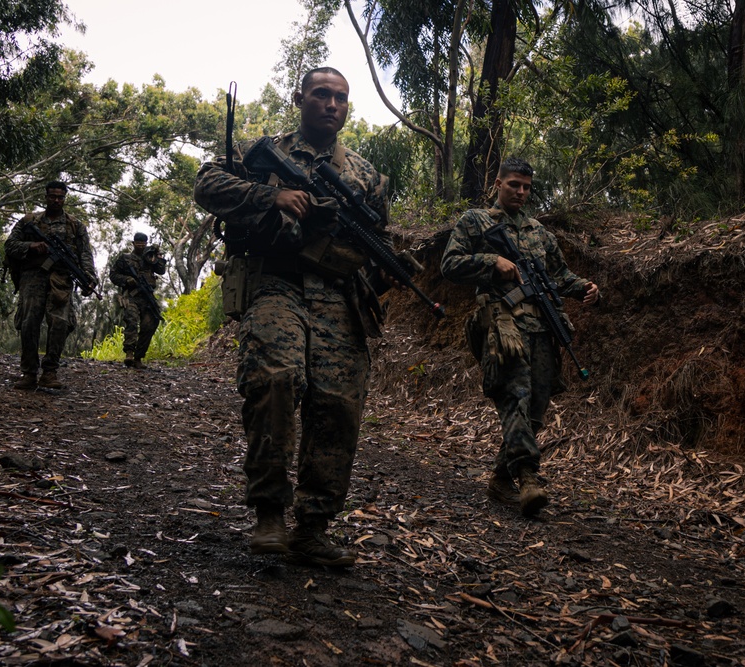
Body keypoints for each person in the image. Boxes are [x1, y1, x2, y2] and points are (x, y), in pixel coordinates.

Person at [194, 67, 393, 567]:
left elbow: (380, 245)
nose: (332, 105)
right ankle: (269, 513)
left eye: (341, 98)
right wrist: (272, 196)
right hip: (275, 283)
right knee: (276, 378)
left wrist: (376, 270)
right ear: (299, 97)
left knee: (338, 408)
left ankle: (313, 527)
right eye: (322, 95)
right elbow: (208, 184)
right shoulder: (266, 154)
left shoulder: (364, 176)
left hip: (338, 298)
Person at [440, 158, 600, 517]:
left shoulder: (539, 232)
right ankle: (528, 478)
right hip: (503, 326)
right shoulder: (475, 221)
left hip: (541, 329)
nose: (521, 192)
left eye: (527, 187)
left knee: (537, 408)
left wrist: (586, 288)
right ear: (498, 183)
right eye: (514, 185)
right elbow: (449, 265)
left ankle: (500, 478)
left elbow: (559, 275)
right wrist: (490, 261)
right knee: (515, 397)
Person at [4, 181, 98, 390]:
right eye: (53, 196)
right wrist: (32, 246)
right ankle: (29, 373)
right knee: (29, 323)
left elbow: (85, 254)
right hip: (33, 277)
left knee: (60, 323)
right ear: (45, 197)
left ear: (65, 198)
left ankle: (50, 372)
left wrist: (89, 277)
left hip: (61, 279)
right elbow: (10, 245)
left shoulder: (75, 225)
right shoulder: (30, 221)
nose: (56, 200)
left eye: (61, 197)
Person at [109, 232, 167, 369]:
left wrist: (159, 256)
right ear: (133, 243)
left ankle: (138, 357)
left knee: (150, 323)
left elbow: (161, 271)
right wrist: (126, 280)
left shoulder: (150, 258)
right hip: (131, 296)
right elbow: (113, 275)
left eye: (143, 243)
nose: (141, 246)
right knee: (132, 320)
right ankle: (129, 353)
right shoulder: (125, 259)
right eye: (138, 243)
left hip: (147, 297)